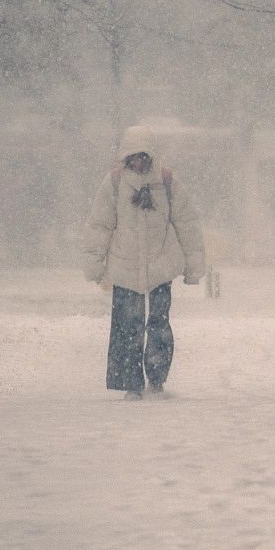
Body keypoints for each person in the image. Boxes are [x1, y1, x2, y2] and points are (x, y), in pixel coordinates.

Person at [83, 126, 205, 400]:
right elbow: (100, 225)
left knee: (159, 325)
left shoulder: (166, 181)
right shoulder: (114, 183)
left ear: (150, 155)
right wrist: (94, 262)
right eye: (133, 156)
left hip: (161, 265)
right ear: (126, 157)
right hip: (125, 267)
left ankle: (157, 378)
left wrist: (194, 264)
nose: (138, 161)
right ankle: (131, 383)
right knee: (127, 326)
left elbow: (187, 222)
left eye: (143, 155)